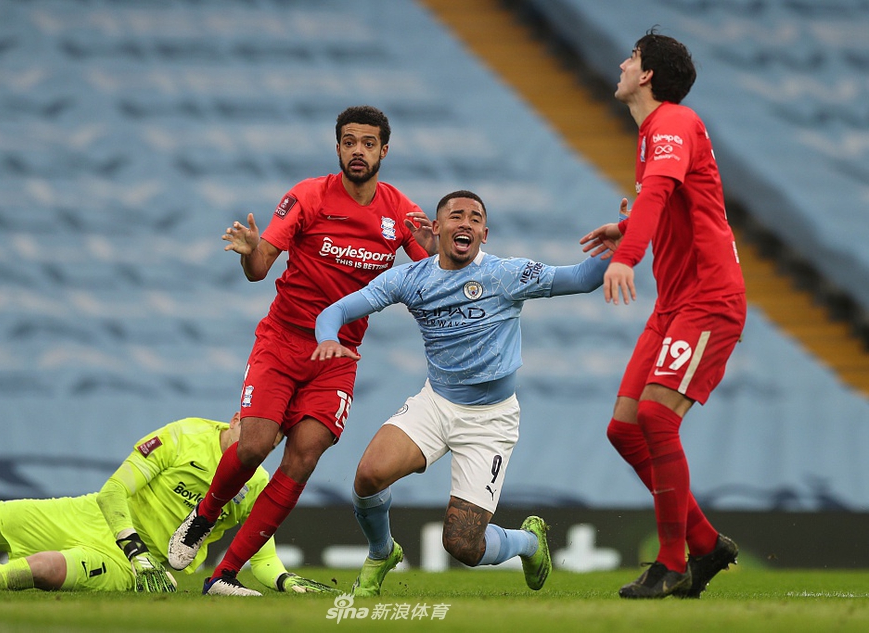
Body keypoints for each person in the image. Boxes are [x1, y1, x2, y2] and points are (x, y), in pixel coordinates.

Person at [167, 105, 437, 596]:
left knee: (304, 456)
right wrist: (251, 250)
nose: (358, 150)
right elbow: (259, 269)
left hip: (338, 358)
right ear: (337, 147)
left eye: (369, 143)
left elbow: (436, 279)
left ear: (384, 151)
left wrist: (437, 250)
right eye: (349, 141)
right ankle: (203, 517)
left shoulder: (400, 212)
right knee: (252, 444)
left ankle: (224, 575)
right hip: (283, 341)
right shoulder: (307, 196)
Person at [311, 190, 612, 596]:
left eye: (474, 218)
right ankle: (382, 552)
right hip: (435, 404)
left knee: (463, 546)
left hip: (490, 420)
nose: (465, 222)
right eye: (455, 216)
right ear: (436, 229)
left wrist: (619, 245)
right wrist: (328, 337)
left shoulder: (506, 274)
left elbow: (582, 278)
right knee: (368, 476)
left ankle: (527, 542)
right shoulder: (411, 278)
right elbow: (337, 311)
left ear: (484, 233)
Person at [579, 29, 746, 599]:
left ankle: (672, 563)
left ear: (647, 74)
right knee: (624, 428)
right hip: (675, 303)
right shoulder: (656, 133)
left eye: (630, 58)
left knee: (655, 419)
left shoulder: (672, 122)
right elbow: (670, 199)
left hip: (707, 299)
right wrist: (624, 228)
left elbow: (657, 195)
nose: (622, 65)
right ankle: (705, 542)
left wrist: (627, 256)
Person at [0, 416, 334, 595]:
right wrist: (132, 544)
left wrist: (283, 581)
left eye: (276, 440)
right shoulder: (184, 435)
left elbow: (261, 557)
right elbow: (112, 491)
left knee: (43, 569)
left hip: (140, 566)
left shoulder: (256, 485)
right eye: (263, 429)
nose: (265, 444)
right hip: (90, 516)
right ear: (239, 417)